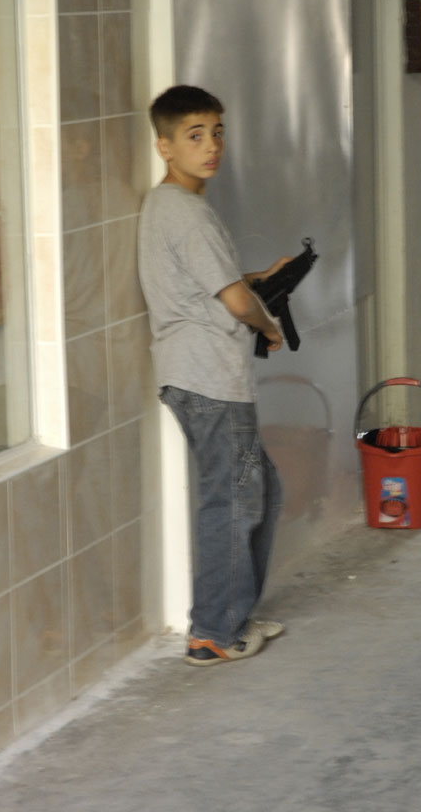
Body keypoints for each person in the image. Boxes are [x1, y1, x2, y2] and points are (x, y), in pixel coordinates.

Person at [138, 84, 290, 666]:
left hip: (197, 376)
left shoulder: (169, 207)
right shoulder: (188, 213)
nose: (211, 146)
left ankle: (231, 614)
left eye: (217, 133)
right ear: (165, 146)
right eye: (194, 135)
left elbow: (212, 285)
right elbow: (234, 303)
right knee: (233, 501)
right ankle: (213, 633)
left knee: (258, 490)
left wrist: (259, 278)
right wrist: (269, 326)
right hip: (209, 379)